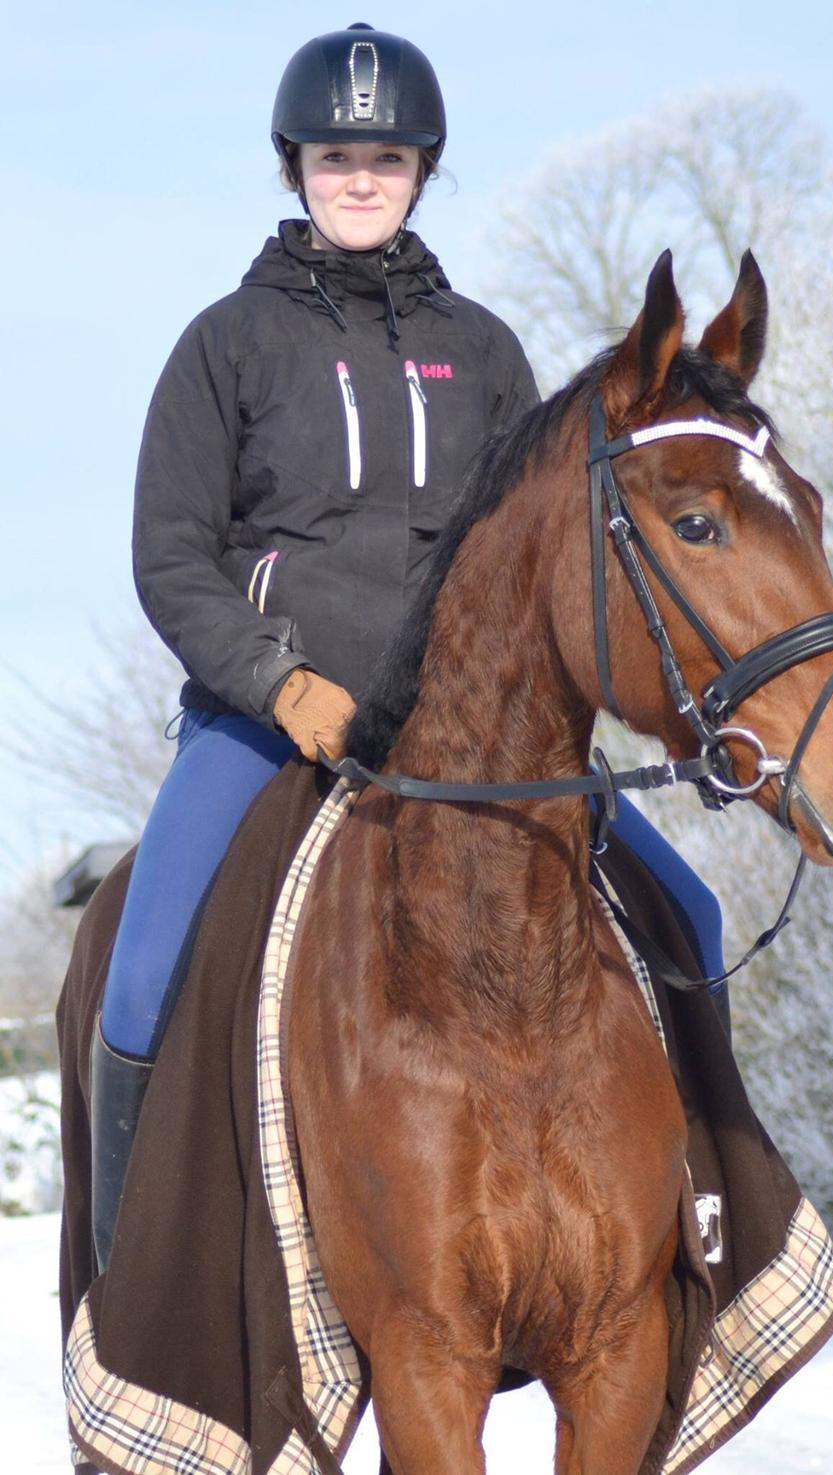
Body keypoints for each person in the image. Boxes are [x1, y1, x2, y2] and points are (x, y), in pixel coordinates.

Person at [90, 22, 727, 1273]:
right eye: (337, 156)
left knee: (691, 912)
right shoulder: (224, 345)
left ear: (424, 167)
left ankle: (711, 1233)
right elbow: (172, 557)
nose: (361, 178)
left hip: (472, 739)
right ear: (295, 170)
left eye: (386, 155)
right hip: (261, 725)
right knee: (138, 970)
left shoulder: (485, 350)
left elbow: (548, 553)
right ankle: (135, 1287)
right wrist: (279, 682)